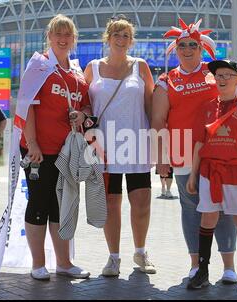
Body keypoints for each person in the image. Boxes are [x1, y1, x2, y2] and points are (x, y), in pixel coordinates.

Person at [152, 18, 237, 284]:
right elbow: (157, 122)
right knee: (191, 209)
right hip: (182, 154)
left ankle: (229, 267)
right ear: (175, 49)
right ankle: (196, 265)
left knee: (224, 208)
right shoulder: (167, 81)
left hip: (220, 153)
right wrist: (161, 159)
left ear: (201, 47)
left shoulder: (217, 73)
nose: (187, 49)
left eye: (192, 44)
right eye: (182, 45)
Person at [18, 14, 92, 280]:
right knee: (40, 204)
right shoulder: (38, 65)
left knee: (62, 207)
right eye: (57, 34)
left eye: (67, 35)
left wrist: (82, 114)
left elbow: (86, 105)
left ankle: (63, 262)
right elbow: (26, 106)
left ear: (73, 40)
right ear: (49, 37)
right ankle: (38, 264)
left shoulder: (75, 71)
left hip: (68, 152)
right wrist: (33, 143)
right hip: (40, 150)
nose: (62, 39)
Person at [84, 15, 155, 276]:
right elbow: (84, 105)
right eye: (117, 34)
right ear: (108, 38)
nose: (121, 39)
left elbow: (150, 105)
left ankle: (141, 252)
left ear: (131, 40)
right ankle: (113, 257)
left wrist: (158, 140)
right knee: (111, 202)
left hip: (136, 142)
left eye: (126, 35)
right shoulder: (92, 67)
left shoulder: (141, 66)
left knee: (141, 201)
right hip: (104, 146)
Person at [186, 59, 237, 293]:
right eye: (218, 75)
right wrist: (193, 173)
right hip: (210, 172)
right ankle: (203, 270)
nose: (222, 79)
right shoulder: (208, 106)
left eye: (227, 75)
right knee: (207, 219)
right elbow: (200, 143)